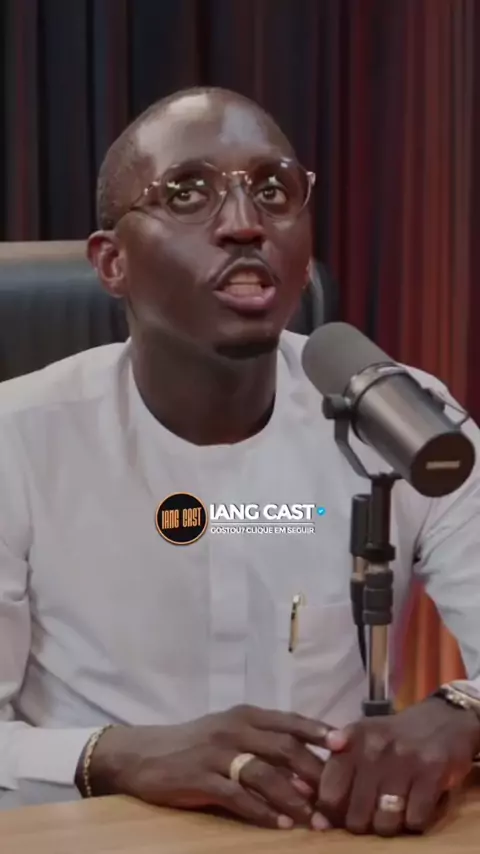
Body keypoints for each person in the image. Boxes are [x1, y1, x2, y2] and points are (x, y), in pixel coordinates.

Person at [0, 86, 479, 839]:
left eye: (273, 191)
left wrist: (461, 713)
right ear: (112, 262)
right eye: (187, 194)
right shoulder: (19, 439)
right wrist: (113, 755)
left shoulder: (399, 418)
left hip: (324, 836)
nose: (245, 222)